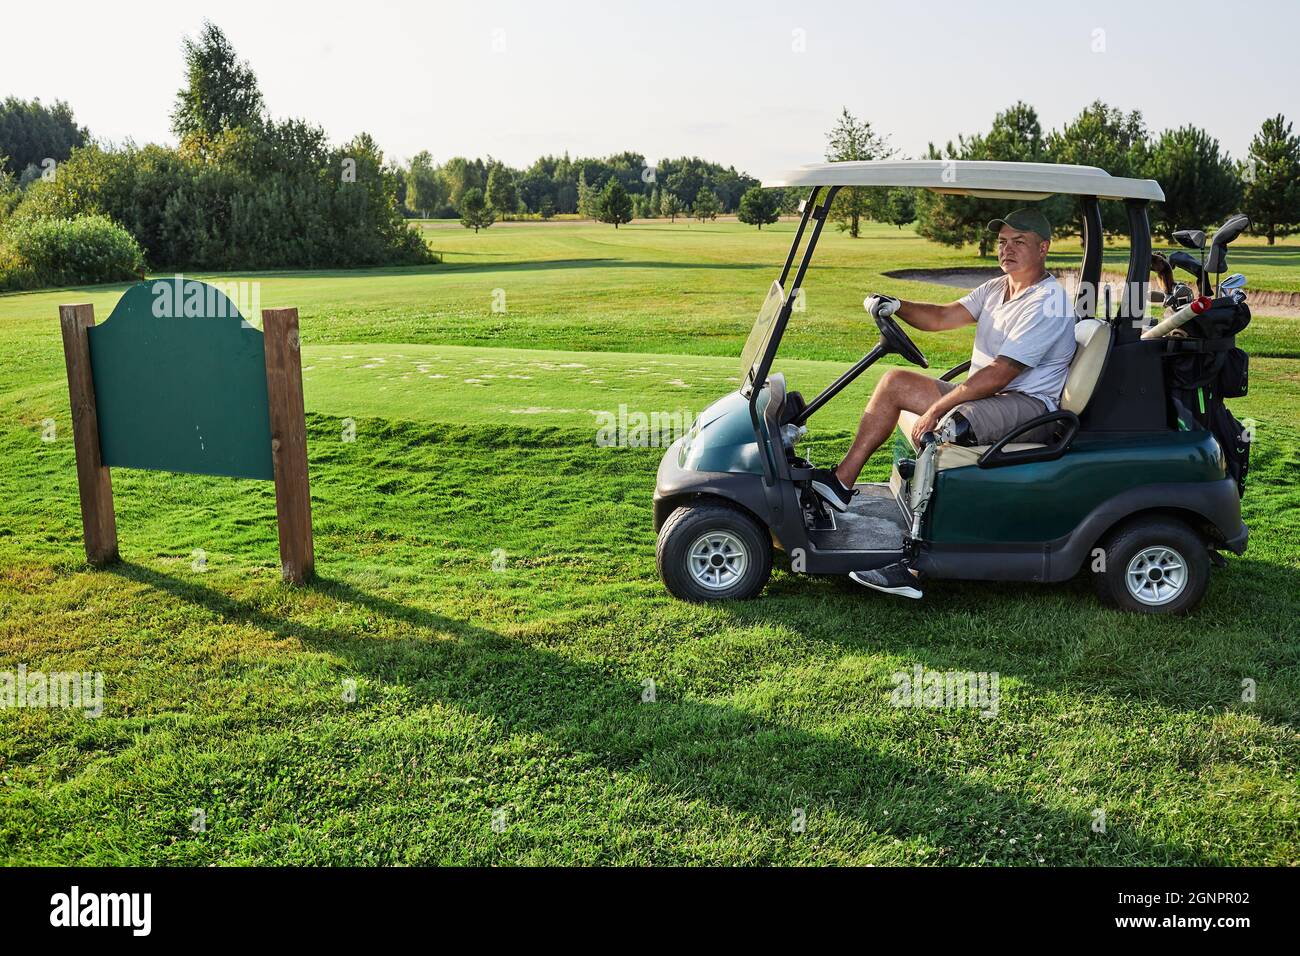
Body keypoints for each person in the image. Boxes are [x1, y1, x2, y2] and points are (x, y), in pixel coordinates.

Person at [810, 208, 1076, 598]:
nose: (1007, 249)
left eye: (1019, 242)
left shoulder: (1048, 302)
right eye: (1003, 242)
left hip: (1028, 406)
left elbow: (1002, 373)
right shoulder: (997, 288)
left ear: (1044, 248)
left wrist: (937, 408)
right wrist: (898, 305)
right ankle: (840, 483)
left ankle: (914, 566)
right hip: (987, 397)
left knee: (947, 426)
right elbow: (941, 316)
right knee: (895, 382)